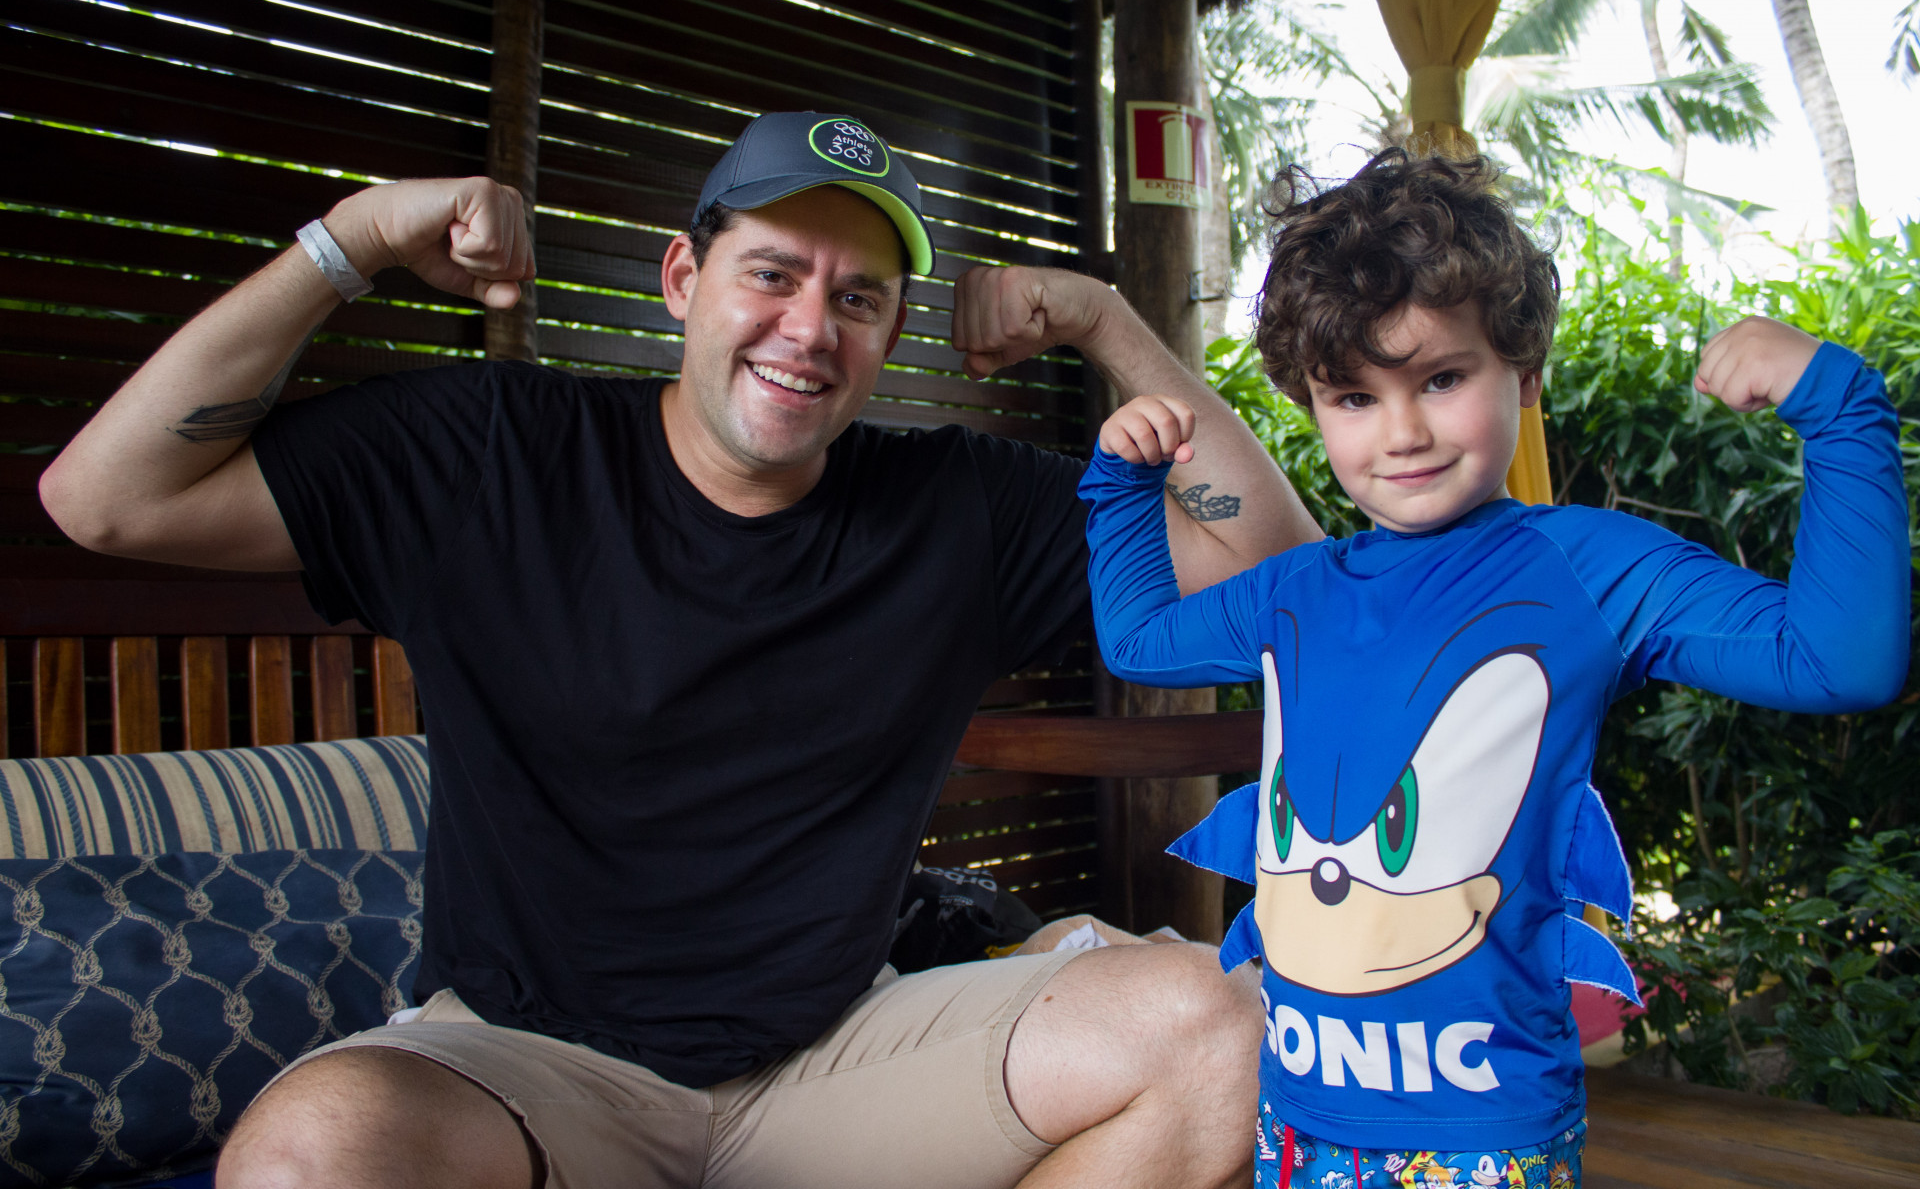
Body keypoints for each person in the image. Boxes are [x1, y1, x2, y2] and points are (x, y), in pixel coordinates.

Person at [38, 111, 1323, 1189]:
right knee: (307, 1151)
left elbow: (1284, 582)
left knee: (1221, 1029)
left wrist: (1103, 320)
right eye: (773, 272)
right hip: (529, 1065)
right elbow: (107, 498)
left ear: (888, 334)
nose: (809, 326)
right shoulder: (491, 457)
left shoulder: (957, 505)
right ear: (681, 279)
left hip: (840, 1058)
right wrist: (354, 237)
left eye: (857, 297)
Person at [1078, 148, 1909, 1189]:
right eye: (1354, 397)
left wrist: (1841, 410)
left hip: (1486, 1132)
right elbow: (1144, 639)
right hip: (1296, 1111)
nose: (1405, 431)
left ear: (1522, 367)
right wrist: (1120, 485)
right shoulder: (1296, 588)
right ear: (1311, 404)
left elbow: (1839, 660)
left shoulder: (1588, 569)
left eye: (1442, 377)